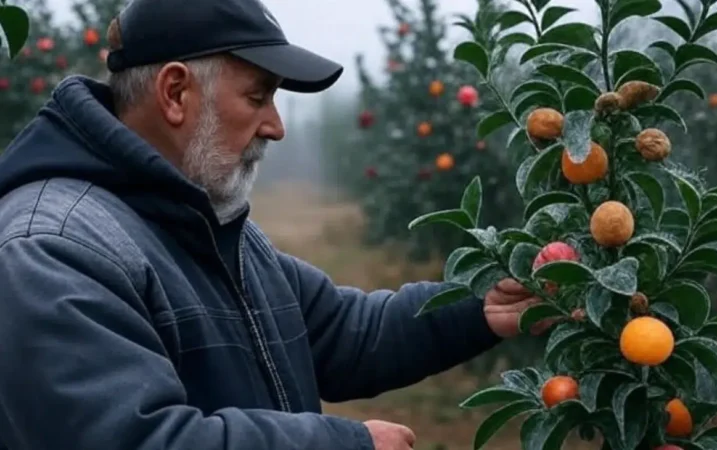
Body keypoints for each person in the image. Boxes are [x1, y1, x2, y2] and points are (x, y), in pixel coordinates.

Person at [0, 0, 550, 449]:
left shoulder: (204, 225)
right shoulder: (53, 248)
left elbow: (345, 333)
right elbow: (135, 439)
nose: (277, 126)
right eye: (257, 96)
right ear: (174, 92)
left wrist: (480, 307)